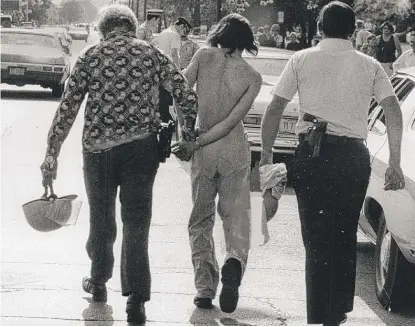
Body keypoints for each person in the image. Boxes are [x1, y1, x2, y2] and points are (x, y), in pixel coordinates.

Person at [40, 4, 198, 325]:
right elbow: (185, 94)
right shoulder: (152, 55)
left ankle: (98, 280)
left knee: (101, 218)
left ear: (102, 29)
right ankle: (137, 297)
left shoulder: (90, 56)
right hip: (142, 149)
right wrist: (187, 134)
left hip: (98, 152)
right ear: (131, 25)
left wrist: (51, 153)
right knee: (137, 221)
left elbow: (68, 108)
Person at [260, 2, 405, 326]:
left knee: (315, 239)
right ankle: (336, 310)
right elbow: (393, 111)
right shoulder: (369, 65)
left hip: (312, 155)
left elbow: (275, 108)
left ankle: (318, 317)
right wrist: (394, 161)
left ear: (320, 28)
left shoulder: (301, 59)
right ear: (353, 30)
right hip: (352, 158)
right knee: (343, 234)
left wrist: (268, 157)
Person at [171, 13, 262, 314]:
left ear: (221, 33)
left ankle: (204, 288)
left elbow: (180, 91)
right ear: (246, 42)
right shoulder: (252, 77)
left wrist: (186, 131)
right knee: (236, 217)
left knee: (200, 219)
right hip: (234, 148)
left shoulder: (204, 55)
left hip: (205, 151)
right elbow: (231, 123)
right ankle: (234, 260)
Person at [154, 17, 192, 123]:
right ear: (181, 26)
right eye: (184, 30)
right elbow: (175, 54)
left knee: (162, 95)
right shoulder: (175, 35)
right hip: (169, 69)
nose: (183, 33)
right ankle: (168, 119)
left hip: (159, 68)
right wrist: (179, 71)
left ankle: (162, 117)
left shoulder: (164, 32)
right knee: (170, 96)